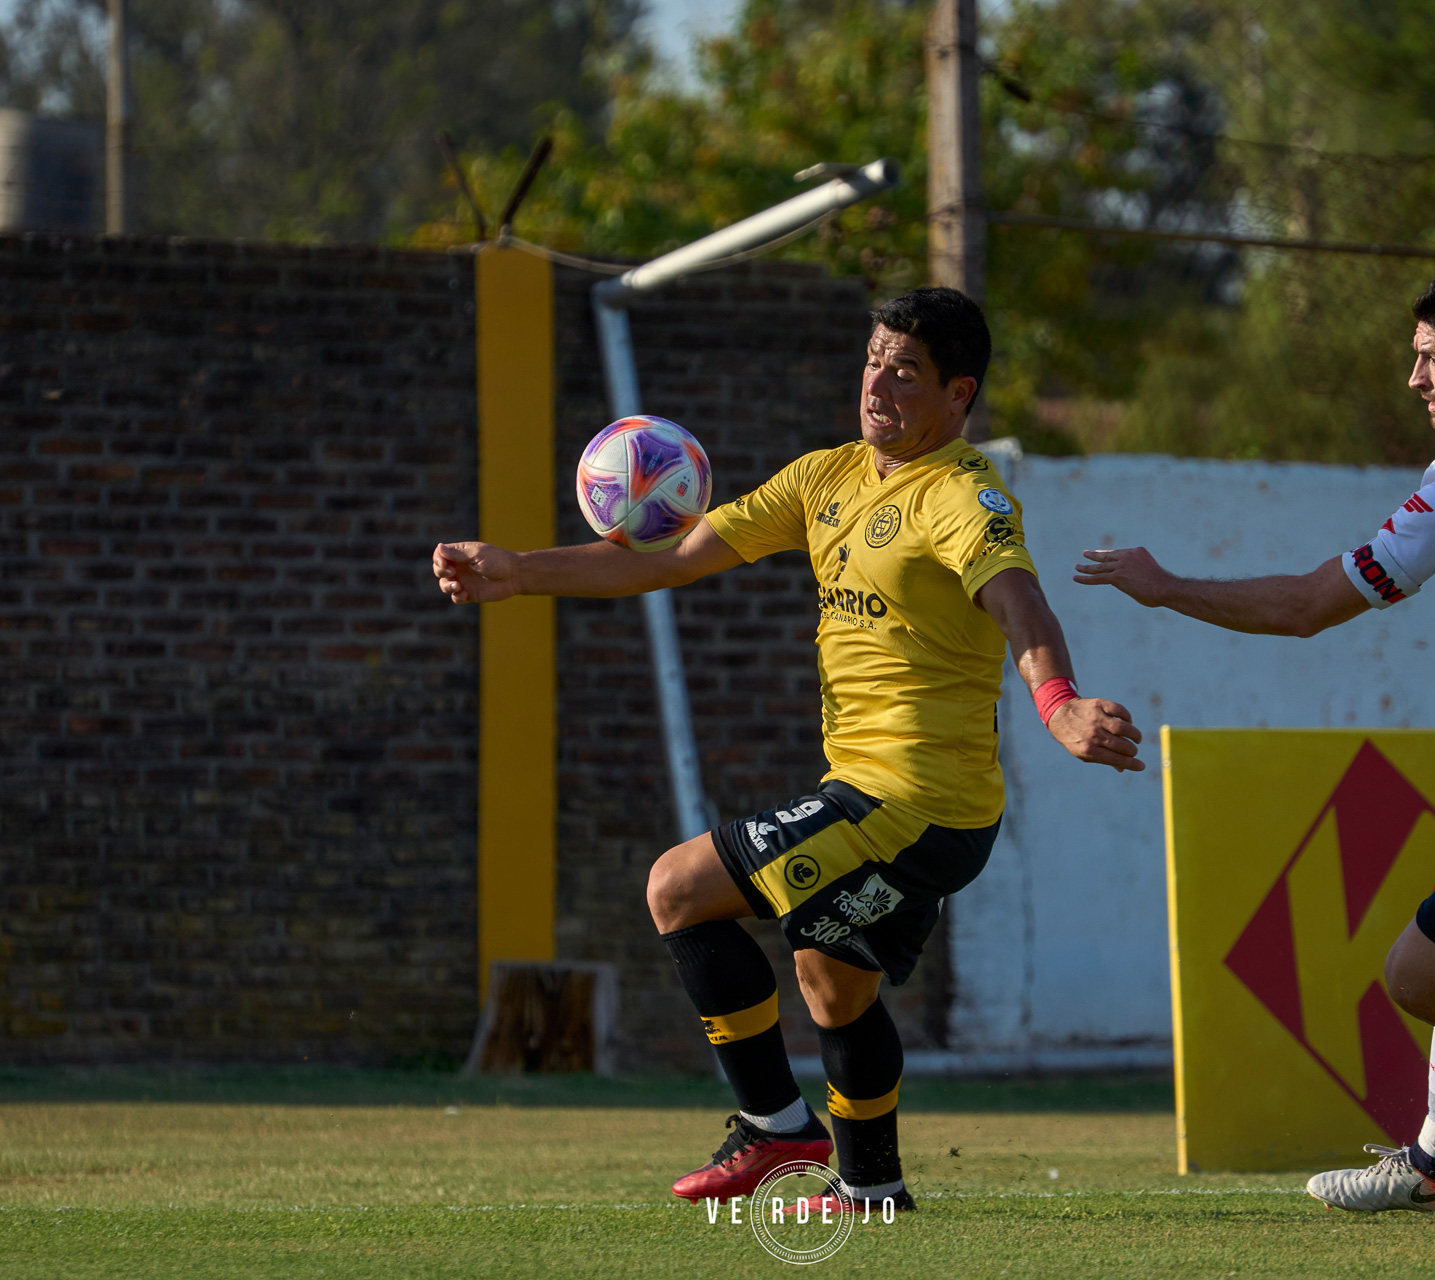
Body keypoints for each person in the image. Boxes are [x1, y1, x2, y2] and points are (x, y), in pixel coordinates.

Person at [435, 286, 1143, 1214]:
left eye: (908, 372)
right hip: (899, 804)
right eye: (874, 360)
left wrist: (1057, 708)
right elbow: (676, 555)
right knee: (831, 980)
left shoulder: (966, 496)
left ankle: (775, 1130)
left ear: (959, 393)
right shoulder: (825, 479)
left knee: (678, 887)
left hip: (914, 801)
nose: (880, 384)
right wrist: (521, 573)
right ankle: (871, 1189)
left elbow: (1021, 605)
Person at [1075, 258, 1435, 1214]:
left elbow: (1312, 605)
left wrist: (1170, 586)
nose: (1414, 380)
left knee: (1424, 975)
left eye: (1431, 359)